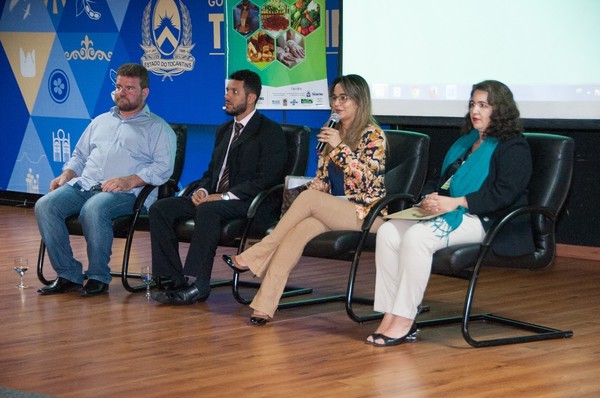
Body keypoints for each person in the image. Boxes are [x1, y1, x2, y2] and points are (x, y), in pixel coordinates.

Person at [367, 80, 534, 347]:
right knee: (388, 232)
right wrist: (430, 198)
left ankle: (405, 318)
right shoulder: (465, 143)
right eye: (472, 104)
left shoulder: (513, 146)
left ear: (499, 110)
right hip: (451, 211)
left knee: (417, 238)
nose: (475, 111)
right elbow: (440, 179)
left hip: (487, 220)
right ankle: (390, 312)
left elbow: (503, 194)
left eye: (483, 105)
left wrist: (456, 203)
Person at [222, 74, 387, 325]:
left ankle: (255, 254)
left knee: (309, 200)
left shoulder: (373, 136)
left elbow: (369, 182)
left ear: (360, 101)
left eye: (344, 98)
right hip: (334, 208)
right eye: (334, 97)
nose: (337, 103)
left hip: (367, 213)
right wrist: (312, 185)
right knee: (297, 232)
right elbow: (324, 180)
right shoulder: (330, 131)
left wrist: (340, 147)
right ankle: (264, 307)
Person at [35, 63, 176, 297]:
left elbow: (163, 168)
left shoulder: (158, 128)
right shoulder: (100, 120)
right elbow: (79, 155)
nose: (122, 92)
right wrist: (67, 173)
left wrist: (130, 180)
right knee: (45, 205)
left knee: (94, 208)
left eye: (130, 88)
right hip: (85, 185)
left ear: (144, 92)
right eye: (119, 86)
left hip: (126, 194)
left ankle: (98, 276)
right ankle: (68, 273)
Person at [149, 69, 288, 305]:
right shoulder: (224, 130)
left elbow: (265, 179)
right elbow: (212, 172)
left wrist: (222, 196)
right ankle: (173, 279)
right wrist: (203, 190)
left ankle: (199, 283)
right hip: (216, 199)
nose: (227, 96)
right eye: (227, 90)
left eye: (234, 91)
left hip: (251, 203)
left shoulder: (270, 132)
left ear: (251, 97)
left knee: (208, 209)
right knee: (161, 208)